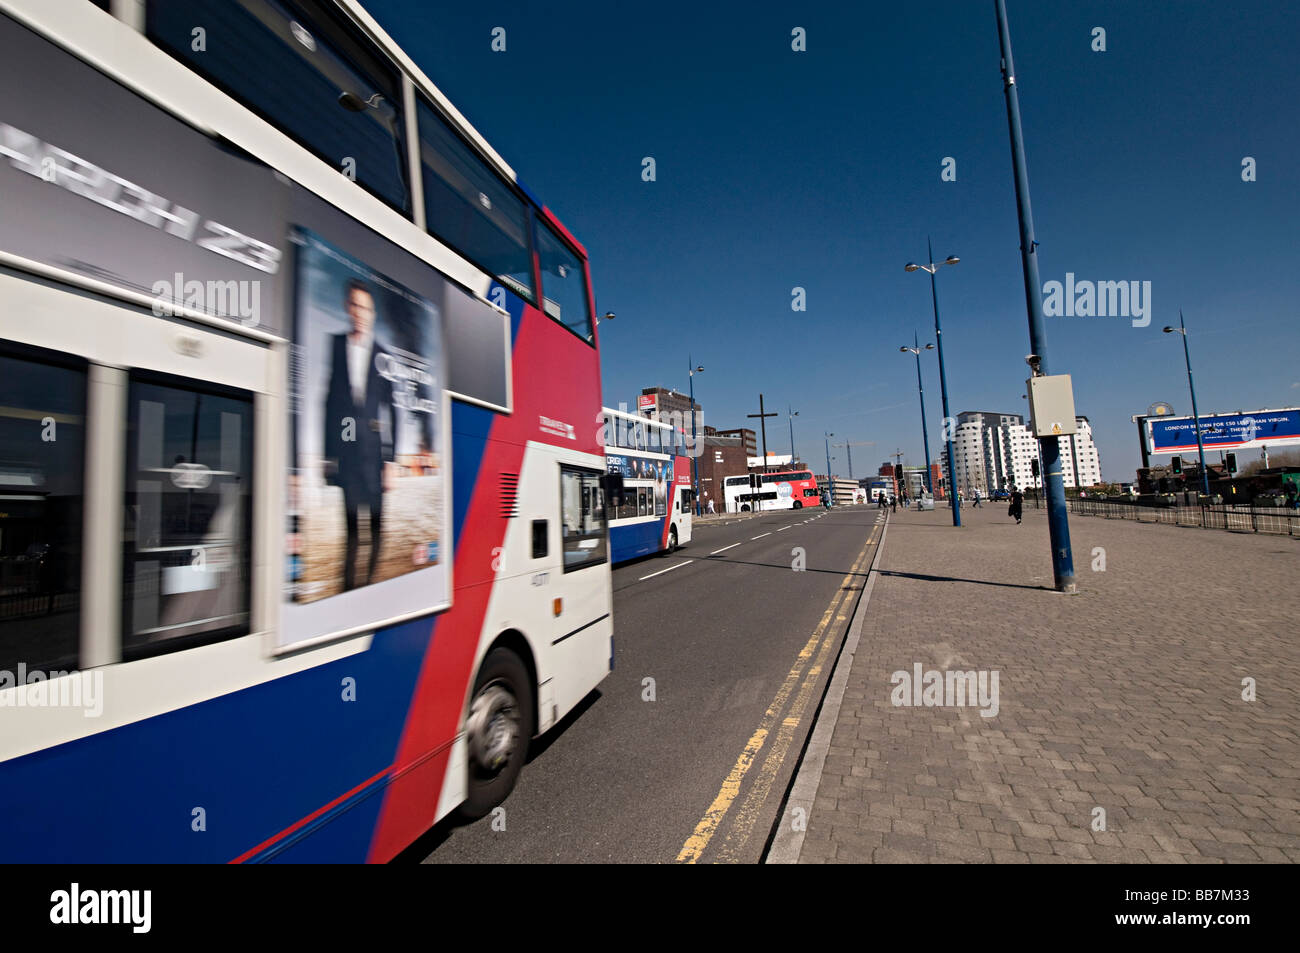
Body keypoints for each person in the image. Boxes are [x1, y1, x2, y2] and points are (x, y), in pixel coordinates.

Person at [324, 278, 397, 592]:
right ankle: (349, 591)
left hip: (376, 461)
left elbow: (392, 411)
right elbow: (332, 403)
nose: (360, 313)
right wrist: (331, 453)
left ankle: (368, 586)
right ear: (347, 307)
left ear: (373, 313)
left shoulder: (383, 355)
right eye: (355, 305)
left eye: (366, 307)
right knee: (352, 531)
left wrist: (391, 461)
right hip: (349, 456)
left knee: (378, 530)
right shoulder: (337, 345)